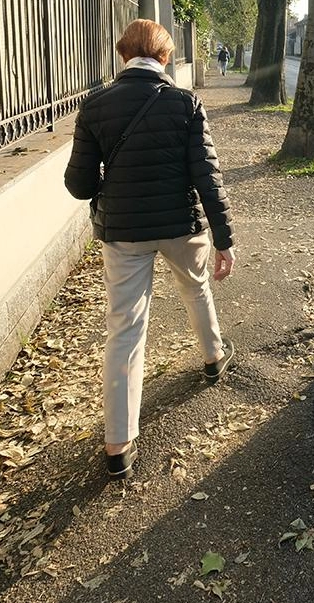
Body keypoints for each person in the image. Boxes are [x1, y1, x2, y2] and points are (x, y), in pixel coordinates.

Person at [64, 19, 236, 481]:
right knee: (197, 290)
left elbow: (78, 185)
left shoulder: (94, 106)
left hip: (123, 232)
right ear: (165, 56)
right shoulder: (185, 104)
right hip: (181, 224)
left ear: (124, 56)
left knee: (125, 328)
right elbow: (208, 178)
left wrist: (112, 185)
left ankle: (118, 443)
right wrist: (225, 239)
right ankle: (214, 359)